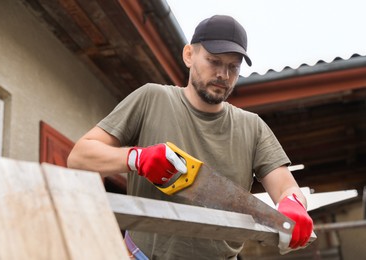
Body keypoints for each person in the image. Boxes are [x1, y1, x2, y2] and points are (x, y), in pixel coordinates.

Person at [67, 15, 313, 259]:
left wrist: (294, 203)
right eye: (214, 61)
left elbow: (286, 187)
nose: (223, 75)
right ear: (188, 55)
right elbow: (79, 158)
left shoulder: (253, 127)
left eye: (233, 67)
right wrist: (137, 158)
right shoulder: (152, 98)